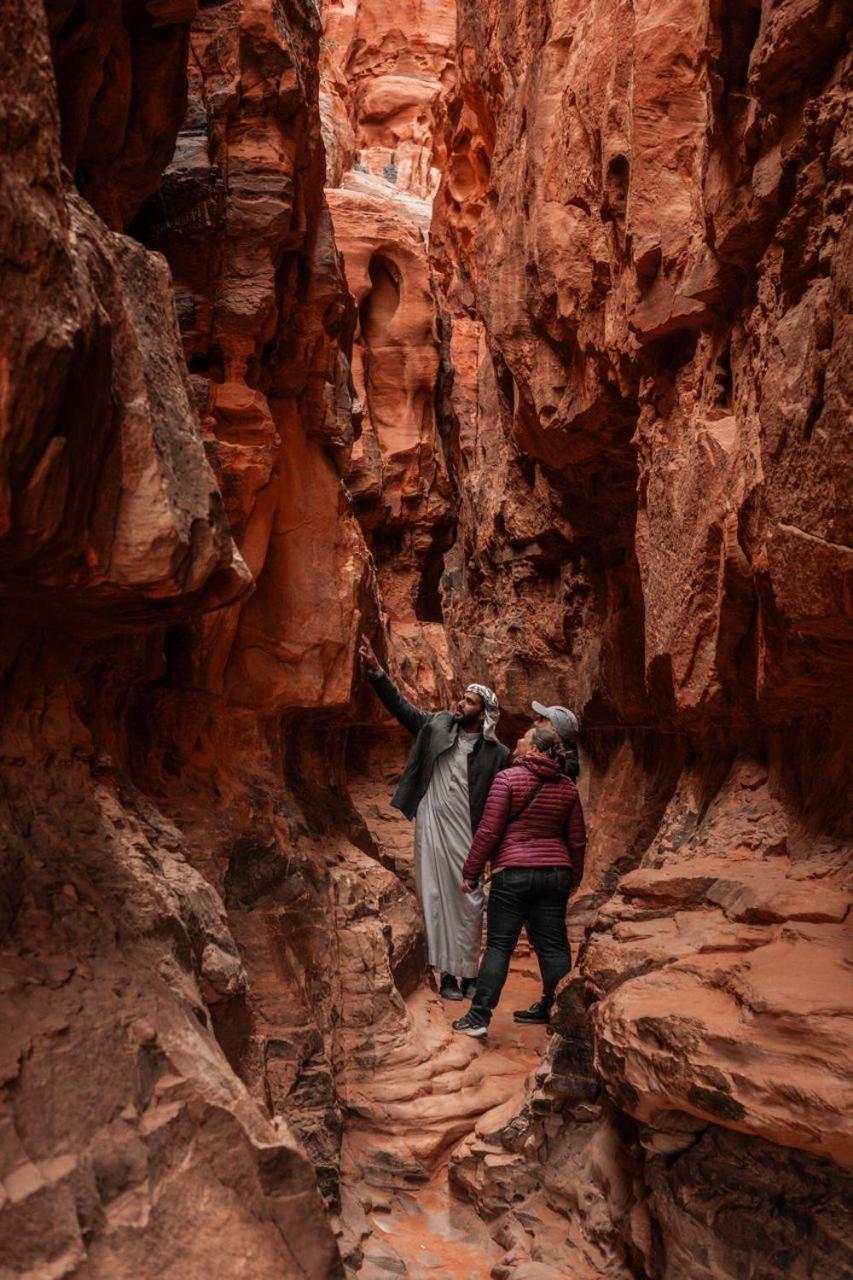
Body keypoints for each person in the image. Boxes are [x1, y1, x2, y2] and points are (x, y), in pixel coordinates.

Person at [359, 636, 510, 1000]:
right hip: (432, 829)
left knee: (469, 902)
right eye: (463, 698)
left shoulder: (498, 753)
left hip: (468, 837)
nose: (461, 703)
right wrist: (378, 673)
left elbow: (499, 803)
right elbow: (403, 709)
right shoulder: (438, 725)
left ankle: (469, 972)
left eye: (470, 702)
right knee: (435, 898)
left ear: (483, 713)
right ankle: (445, 974)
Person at [451, 722, 586, 1037]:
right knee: (553, 947)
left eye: (524, 738)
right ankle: (560, 1018)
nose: (519, 740)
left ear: (535, 749)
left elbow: (488, 831)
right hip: (555, 874)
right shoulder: (567, 787)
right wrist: (573, 878)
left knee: (499, 944)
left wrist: (471, 872)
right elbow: (577, 840)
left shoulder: (507, 780)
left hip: (513, 873)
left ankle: (478, 1018)